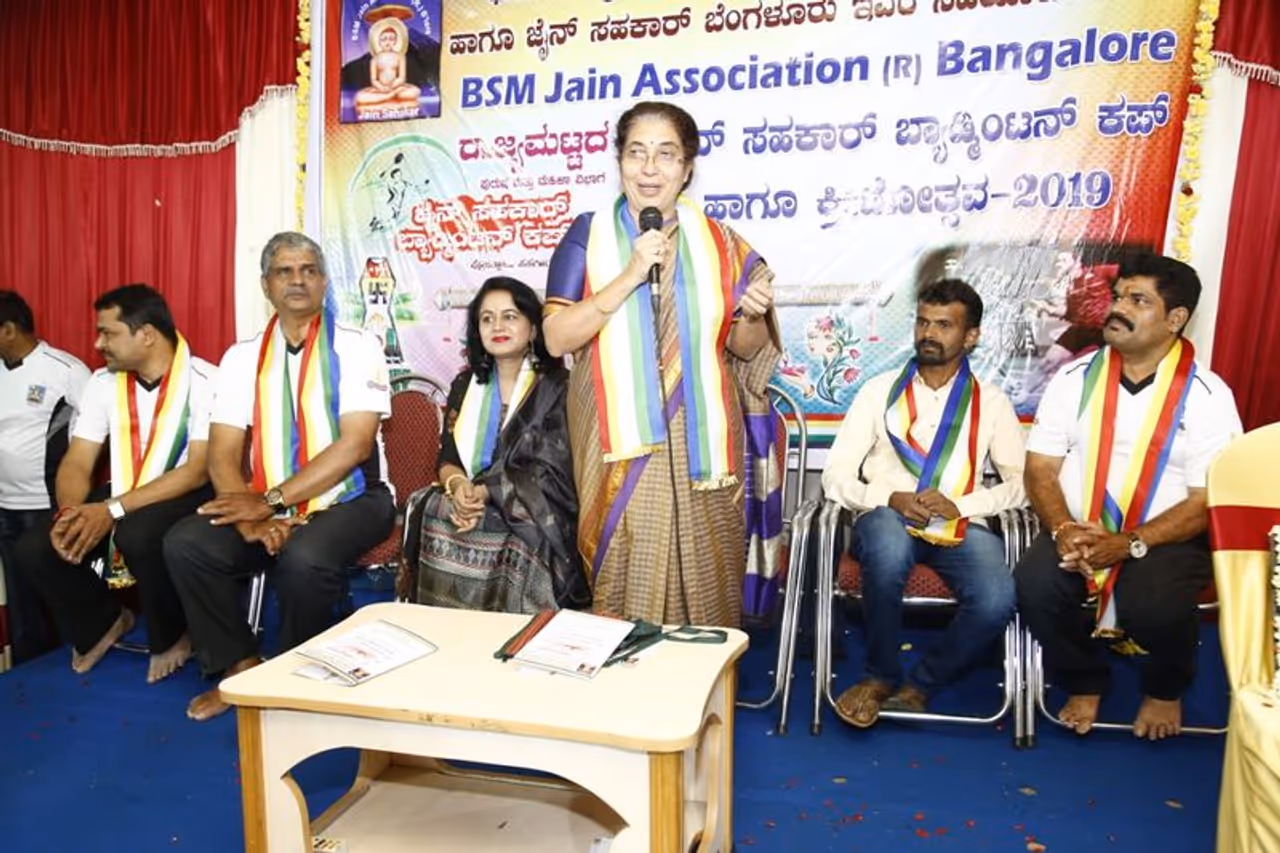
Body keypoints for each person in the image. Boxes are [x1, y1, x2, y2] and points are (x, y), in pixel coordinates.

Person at [543, 100, 781, 627]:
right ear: (619, 162)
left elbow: (745, 348)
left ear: (687, 168)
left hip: (703, 441)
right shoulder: (586, 236)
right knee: (624, 569)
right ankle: (624, 676)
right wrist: (630, 274)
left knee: (707, 570)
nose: (650, 168)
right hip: (615, 442)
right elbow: (556, 337)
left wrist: (753, 315)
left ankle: (704, 675)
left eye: (666, 154)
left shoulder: (723, 245)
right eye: (637, 153)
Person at [164, 231, 395, 722]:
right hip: (263, 503)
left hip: (354, 497)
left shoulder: (359, 346)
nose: (297, 280)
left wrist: (270, 503)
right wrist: (251, 518)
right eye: (284, 271)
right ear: (265, 285)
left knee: (303, 556)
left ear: (325, 283)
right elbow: (223, 454)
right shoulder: (241, 357)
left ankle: (295, 681)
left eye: (309, 270)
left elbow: (355, 445)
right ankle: (240, 667)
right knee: (187, 542)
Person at [1016, 253, 1242, 741]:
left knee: (1152, 604)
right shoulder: (1073, 379)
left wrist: (1129, 542)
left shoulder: (1207, 395)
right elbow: (1040, 469)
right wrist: (1062, 529)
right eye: (1118, 297)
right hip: (1077, 530)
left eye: (1138, 301)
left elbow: (1206, 499)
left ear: (1175, 319)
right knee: (1035, 585)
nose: (1117, 308)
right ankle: (1083, 679)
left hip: (1165, 540)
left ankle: (1164, 688)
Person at [821, 279, 1026, 727]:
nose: (928, 333)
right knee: (889, 548)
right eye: (922, 322)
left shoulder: (991, 403)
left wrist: (963, 505)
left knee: (996, 599)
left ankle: (921, 684)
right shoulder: (879, 392)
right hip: (886, 517)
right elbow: (835, 475)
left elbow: (1021, 485)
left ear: (971, 336)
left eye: (944, 325)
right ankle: (880, 676)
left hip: (960, 527)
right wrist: (888, 497)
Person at [15, 284, 215, 682]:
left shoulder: (206, 379)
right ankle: (103, 623)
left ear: (146, 335)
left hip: (188, 491)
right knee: (35, 546)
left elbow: (196, 470)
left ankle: (174, 633)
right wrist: (71, 514)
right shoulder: (103, 383)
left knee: (138, 534)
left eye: (108, 333)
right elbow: (78, 460)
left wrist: (111, 510)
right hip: (125, 490)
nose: (98, 343)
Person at [399, 276, 589, 613]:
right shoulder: (465, 385)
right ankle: (446, 623)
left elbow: (553, 468)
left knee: (513, 522)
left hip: (533, 503)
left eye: (510, 316)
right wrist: (459, 487)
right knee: (435, 508)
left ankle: (521, 626)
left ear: (534, 328)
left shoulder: (557, 387)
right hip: (470, 497)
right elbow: (448, 458)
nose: (497, 326)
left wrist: (488, 491)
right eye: (487, 319)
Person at [0, 291, 90, 664]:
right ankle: (25, 671)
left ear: (8, 329)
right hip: (4, 506)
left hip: (48, 506)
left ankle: (76, 663)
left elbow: (97, 435)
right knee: (21, 601)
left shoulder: (65, 371)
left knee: (61, 593)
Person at [355, 18, 421, 109]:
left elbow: (401, 77)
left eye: (391, 39)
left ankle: (387, 96)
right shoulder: (375, 60)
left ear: (396, 41)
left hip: (396, 88)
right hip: (380, 89)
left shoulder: (400, 57)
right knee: (360, 97)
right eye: (384, 39)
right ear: (378, 41)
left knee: (414, 91)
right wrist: (381, 87)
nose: (387, 42)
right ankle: (390, 96)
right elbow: (374, 80)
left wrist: (394, 86)